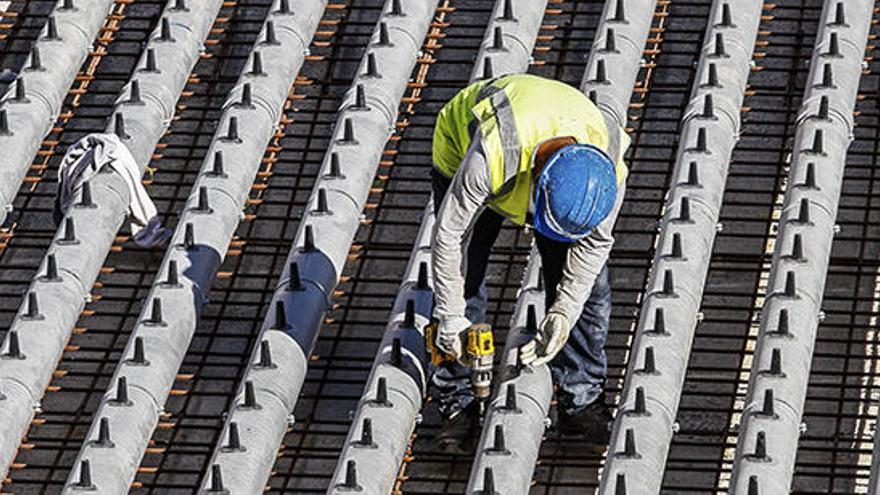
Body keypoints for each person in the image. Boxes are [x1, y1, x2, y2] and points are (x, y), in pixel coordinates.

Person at [428, 73, 628, 453]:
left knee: (590, 289)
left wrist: (564, 313)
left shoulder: (605, 170)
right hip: (461, 151)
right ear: (538, 179)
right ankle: (456, 400)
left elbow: (595, 245)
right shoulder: (492, 153)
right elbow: (449, 236)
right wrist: (452, 315)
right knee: (463, 279)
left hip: (543, 176)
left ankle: (580, 397)